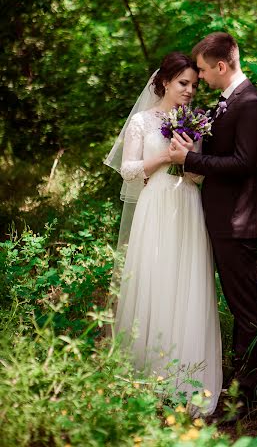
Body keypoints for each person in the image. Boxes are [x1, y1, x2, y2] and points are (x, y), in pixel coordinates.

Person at [104, 52, 222, 415]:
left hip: (186, 205)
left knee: (185, 282)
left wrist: (189, 160)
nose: (189, 90)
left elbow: (196, 176)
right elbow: (128, 170)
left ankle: (186, 379)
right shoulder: (141, 121)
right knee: (154, 281)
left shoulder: (197, 121)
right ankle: (144, 374)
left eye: (194, 84)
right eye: (183, 83)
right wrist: (166, 159)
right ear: (165, 82)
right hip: (155, 205)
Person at [169, 32, 257, 412]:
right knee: (238, 309)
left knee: (248, 313)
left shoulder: (252, 105)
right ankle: (238, 387)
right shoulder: (227, 104)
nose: (200, 78)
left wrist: (190, 161)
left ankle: (245, 401)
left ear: (222, 66)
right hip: (220, 221)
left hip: (237, 223)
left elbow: (245, 164)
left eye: (202, 70)